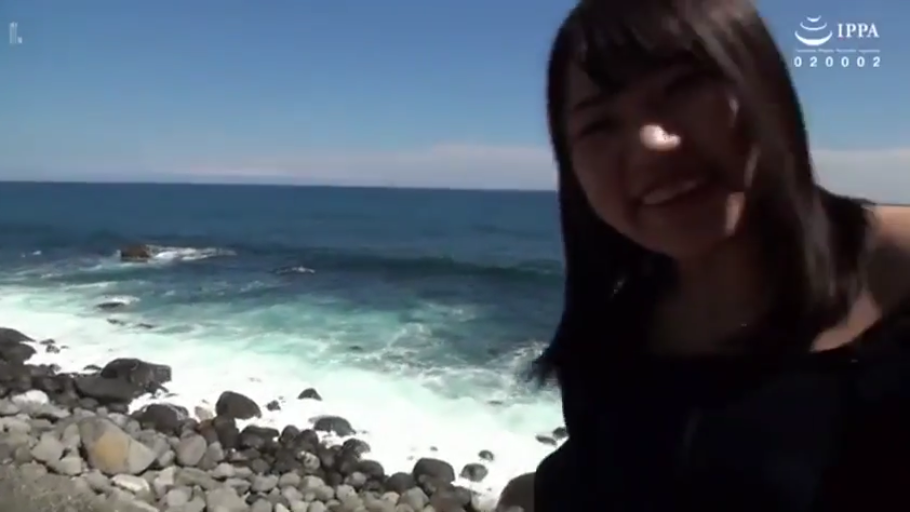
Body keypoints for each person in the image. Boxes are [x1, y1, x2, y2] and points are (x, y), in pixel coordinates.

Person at [530, 0, 910, 510]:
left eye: (683, 87)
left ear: (762, 84)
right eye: (599, 125)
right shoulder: (605, 348)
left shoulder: (900, 275)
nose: (652, 142)